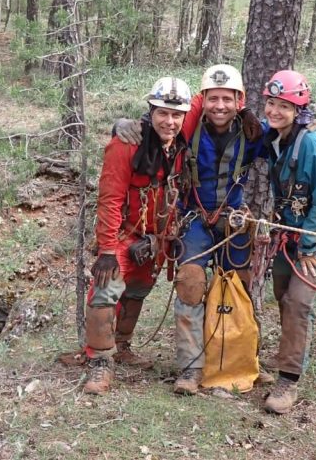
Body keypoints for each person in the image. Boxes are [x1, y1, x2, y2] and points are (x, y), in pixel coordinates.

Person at [117, 64, 268, 395]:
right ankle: (191, 368)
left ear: (239, 100)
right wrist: (125, 124)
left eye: (227, 99)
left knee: (238, 288)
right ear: (203, 99)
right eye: (213, 98)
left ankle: (241, 360)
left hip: (233, 219)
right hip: (193, 219)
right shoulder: (188, 127)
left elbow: (286, 138)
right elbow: (159, 124)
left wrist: (308, 124)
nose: (220, 106)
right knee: (189, 282)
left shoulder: (254, 131)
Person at [82, 76, 193, 395]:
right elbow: (110, 198)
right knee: (105, 289)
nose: (169, 121)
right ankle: (100, 361)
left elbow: (216, 102)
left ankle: (122, 345)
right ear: (150, 111)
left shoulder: (181, 142)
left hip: (157, 237)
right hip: (123, 234)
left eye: (176, 115)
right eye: (162, 113)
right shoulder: (127, 144)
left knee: (138, 290)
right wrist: (106, 249)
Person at [259, 70, 316, 414]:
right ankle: (291, 355)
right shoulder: (273, 137)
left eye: (284, 106)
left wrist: (308, 246)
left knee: (297, 302)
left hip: (311, 242)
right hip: (284, 236)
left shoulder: (312, 144)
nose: (275, 111)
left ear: (298, 110)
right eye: (271, 104)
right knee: (282, 297)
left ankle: (288, 381)